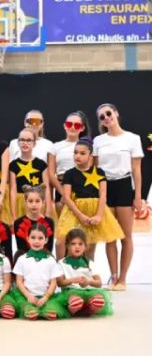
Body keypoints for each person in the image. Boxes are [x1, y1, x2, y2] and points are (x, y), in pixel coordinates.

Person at [93, 103, 143, 291]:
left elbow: (137, 170)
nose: (106, 117)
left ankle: (123, 278)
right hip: (105, 187)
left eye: (108, 113)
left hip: (123, 185)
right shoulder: (98, 141)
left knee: (126, 236)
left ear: (116, 113)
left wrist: (137, 196)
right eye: (102, 117)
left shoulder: (132, 138)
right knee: (109, 237)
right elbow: (96, 171)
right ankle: (113, 277)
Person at [56, 139, 123, 259]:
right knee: (62, 240)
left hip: (94, 209)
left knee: (90, 245)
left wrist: (98, 215)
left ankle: (87, 271)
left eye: (82, 153)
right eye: (75, 152)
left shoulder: (99, 172)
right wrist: (80, 215)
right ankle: (61, 271)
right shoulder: (69, 174)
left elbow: (103, 195)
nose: (77, 156)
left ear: (90, 156)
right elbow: (66, 197)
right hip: (74, 211)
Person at [11, 224, 67, 320]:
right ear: (28, 238)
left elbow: (53, 282)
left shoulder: (50, 260)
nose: (36, 241)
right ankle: (31, 309)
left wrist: (46, 297)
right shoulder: (22, 259)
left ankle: (46, 307)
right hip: (26, 295)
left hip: (46, 295)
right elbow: (19, 281)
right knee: (30, 312)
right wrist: (28, 296)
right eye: (33, 237)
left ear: (46, 240)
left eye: (40, 238)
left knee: (51, 313)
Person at [56, 229, 112, 317]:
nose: (77, 247)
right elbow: (60, 283)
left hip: (89, 291)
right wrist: (73, 280)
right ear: (67, 246)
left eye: (80, 244)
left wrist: (89, 281)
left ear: (85, 246)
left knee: (99, 300)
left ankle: (88, 309)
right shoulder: (61, 263)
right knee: (76, 301)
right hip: (71, 292)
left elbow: (99, 283)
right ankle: (74, 310)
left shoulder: (89, 263)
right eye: (73, 244)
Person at [48, 112, 90, 212]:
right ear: (64, 126)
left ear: (82, 128)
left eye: (77, 125)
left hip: (82, 187)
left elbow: (91, 169)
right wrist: (63, 193)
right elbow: (50, 173)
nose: (72, 127)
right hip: (61, 186)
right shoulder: (55, 146)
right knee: (63, 224)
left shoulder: (88, 146)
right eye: (69, 124)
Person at [9, 129, 52, 219]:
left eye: (28, 140)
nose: (25, 143)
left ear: (34, 143)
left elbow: (46, 188)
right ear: (18, 142)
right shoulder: (13, 165)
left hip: (38, 202)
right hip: (21, 204)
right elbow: (13, 189)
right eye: (22, 140)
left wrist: (48, 210)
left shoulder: (41, 164)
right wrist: (13, 215)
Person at [13, 185, 55, 258]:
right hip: (25, 258)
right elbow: (21, 248)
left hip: (43, 257)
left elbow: (49, 248)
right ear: (26, 202)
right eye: (30, 201)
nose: (34, 205)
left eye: (37, 201)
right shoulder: (18, 222)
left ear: (43, 202)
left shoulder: (49, 222)